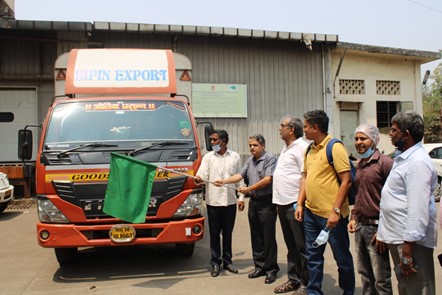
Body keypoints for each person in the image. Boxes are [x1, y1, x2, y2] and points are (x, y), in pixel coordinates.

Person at [294, 110, 355, 295]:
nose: (303, 130)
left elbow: (347, 180)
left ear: (315, 127)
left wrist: (335, 210)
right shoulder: (309, 149)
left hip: (332, 217)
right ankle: (314, 292)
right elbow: (305, 178)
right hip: (311, 215)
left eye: (305, 126)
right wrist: (300, 204)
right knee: (313, 257)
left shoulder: (334, 147)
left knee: (342, 258)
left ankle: (348, 291)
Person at [377, 111, 438, 295]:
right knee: (405, 287)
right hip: (400, 238)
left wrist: (408, 248)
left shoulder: (417, 162)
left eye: (394, 130)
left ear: (406, 133)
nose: (390, 133)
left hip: (412, 243)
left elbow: (417, 208)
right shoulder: (404, 157)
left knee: (418, 289)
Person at [215, 134, 279, 284]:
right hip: (255, 202)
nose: (251, 148)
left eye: (255, 145)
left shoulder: (270, 159)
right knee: (256, 235)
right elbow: (239, 175)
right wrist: (224, 181)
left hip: (267, 202)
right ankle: (260, 267)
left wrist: (248, 189)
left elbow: (267, 180)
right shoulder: (250, 160)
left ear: (262, 145)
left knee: (268, 236)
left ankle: (271, 269)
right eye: (250, 145)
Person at [347, 123, 393, 295]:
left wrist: (385, 229)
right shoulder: (359, 164)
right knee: (365, 275)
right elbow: (359, 195)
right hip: (360, 227)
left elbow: (393, 199)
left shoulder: (385, 163)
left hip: (377, 228)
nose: (359, 142)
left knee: (381, 279)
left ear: (373, 140)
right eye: (356, 138)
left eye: (363, 138)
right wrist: (353, 217)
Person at [194, 129, 245, 277]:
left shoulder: (235, 157)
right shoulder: (208, 157)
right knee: (215, 234)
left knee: (228, 233)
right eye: (211, 140)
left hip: (230, 202)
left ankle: (228, 261)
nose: (212, 143)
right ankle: (215, 262)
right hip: (213, 202)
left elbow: (239, 177)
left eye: (215, 140)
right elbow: (203, 173)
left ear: (223, 141)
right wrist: (199, 178)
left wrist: (241, 197)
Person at [273, 116, 309, 295]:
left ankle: (305, 283)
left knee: (301, 245)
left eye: (282, 126)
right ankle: (293, 279)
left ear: (292, 129)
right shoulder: (286, 148)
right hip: (282, 202)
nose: (280, 128)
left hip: (294, 204)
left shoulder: (302, 147)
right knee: (291, 245)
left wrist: (300, 203)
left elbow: (305, 176)